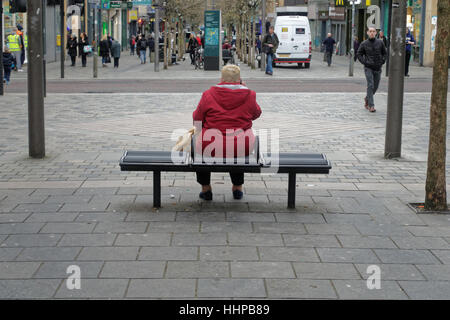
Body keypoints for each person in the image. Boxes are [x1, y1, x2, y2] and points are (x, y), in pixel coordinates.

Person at [192, 64, 262, 201]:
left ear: (221, 79)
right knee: (235, 148)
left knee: (198, 146)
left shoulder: (208, 94)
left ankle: (206, 188)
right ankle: (237, 188)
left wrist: (200, 130)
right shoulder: (249, 94)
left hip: (210, 144)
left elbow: (197, 119)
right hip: (243, 145)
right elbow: (256, 113)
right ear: (240, 79)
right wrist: (245, 89)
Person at [357, 26, 387, 113]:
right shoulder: (364, 43)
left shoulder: (380, 43)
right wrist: (365, 62)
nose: (372, 33)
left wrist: (382, 61)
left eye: (373, 31)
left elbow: (385, 53)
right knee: (370, 85)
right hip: (368, 67)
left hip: (378, 67)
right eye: (370, 31)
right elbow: (359, 54)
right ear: (367, 33)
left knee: (375, 86)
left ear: (376, 33)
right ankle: (371, 105)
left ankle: (367, 98)